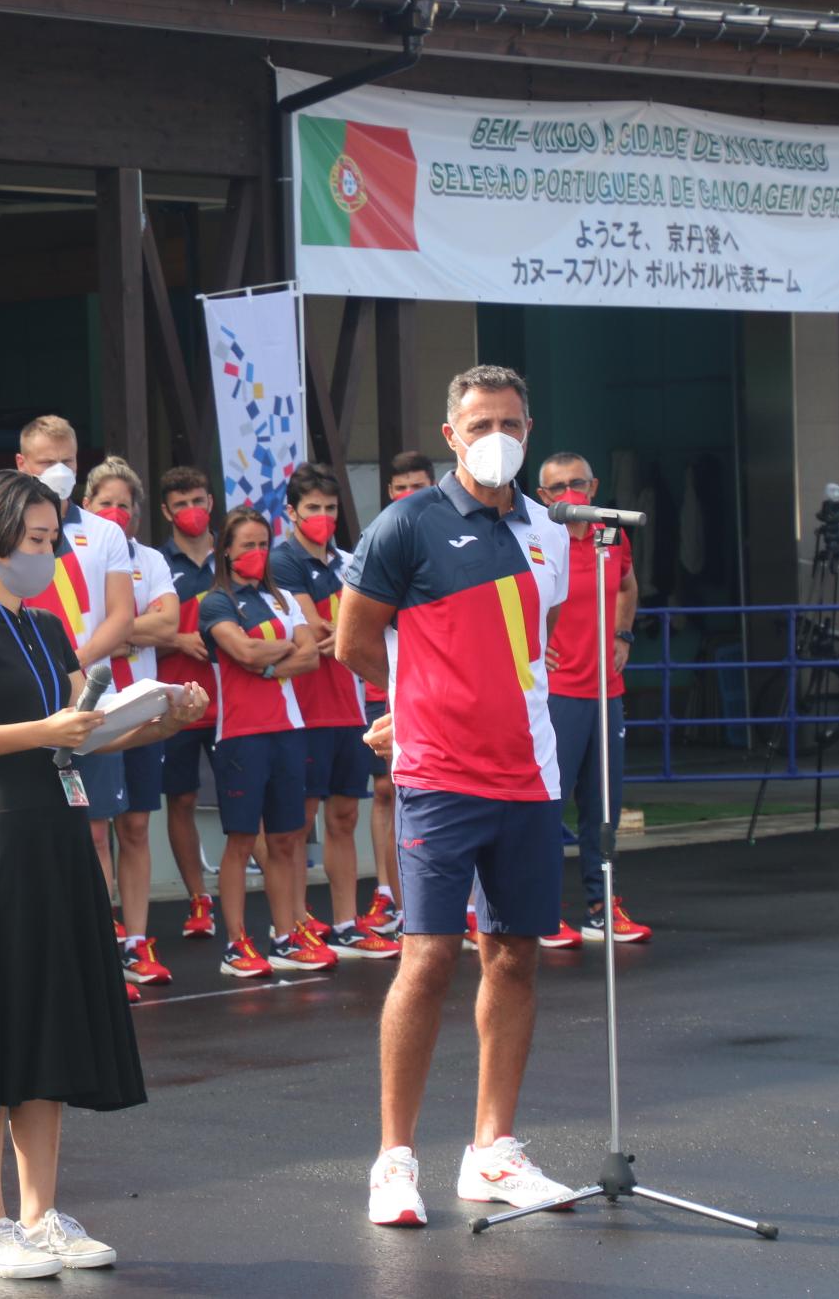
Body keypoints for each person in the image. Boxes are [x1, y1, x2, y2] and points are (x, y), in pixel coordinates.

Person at [0, 468, 208, 1279]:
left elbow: (77, 737)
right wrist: (41, 724)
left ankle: (40, 1213)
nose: (50, 554)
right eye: (39, 541)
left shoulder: (46, 628)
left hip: (61, 844)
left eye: (53, 540)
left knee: (42, 1030)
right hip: (2, 847)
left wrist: (156, 717)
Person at [338, 364, 573, 1227]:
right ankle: (394, 1160)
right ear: (452, 435)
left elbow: (526, 650)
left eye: (509, 420)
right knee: (428, 956)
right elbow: (354, 639)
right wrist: (409, 707)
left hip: (530, 774)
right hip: (439, 776)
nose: (496, 435)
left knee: (514, 954)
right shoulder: (407, 524)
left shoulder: (550, 531)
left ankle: (493, 1151)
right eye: (479, 424)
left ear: (529, 423)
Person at [269, 465, 399, 961]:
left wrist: (338, 633)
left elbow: (345, 634)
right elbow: (313, 628)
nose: (323, 517)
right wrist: (339, 632)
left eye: (329, 508)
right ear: (291, 513)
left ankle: (345, 923)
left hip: (348, 706)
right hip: (303, 709)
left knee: (344, 816)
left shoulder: (348, 560)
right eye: (313, 509)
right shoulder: (282, 562)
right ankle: (299, 920)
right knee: (299, 824)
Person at [200, 507, 331, 979]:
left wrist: (267, 663)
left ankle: (284, 936)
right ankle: (236, 943)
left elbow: (310, 659)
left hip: (288, 731)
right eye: (247, 545)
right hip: (241, 736)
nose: (257, 553)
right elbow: (242, 651)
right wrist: (277, 652)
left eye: (262, 545)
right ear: (227, 552)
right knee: (240, 841)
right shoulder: (215, 602)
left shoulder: (282, 600)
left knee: (286, 839)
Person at [14, 416, 135, 919]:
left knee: (95, 831)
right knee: (25, 831)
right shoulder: (4, 528)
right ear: (22, 465)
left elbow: (122, 616)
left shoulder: (104, 532)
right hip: (22, 704)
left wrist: (71, 669)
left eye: (67, 462)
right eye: (46, 463)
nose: (58, 472)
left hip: (91, 703)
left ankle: (99, 944)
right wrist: (42, 673)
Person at [536, 451, 650, 948]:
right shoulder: (537, 540)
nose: (569, 495)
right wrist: (535, 648)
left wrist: (623, 634)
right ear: (543, 497)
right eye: (557, 488)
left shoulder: (610, 532)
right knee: (546, 804)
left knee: (603, 805)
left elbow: (626, 583)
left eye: (576, 484)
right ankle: (540, 909)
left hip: (607, 691)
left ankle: (602, 905)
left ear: (594, 485)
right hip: (556, 693)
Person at [80, 457, 179, 989]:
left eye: (124, 505)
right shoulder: (76, 554)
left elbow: (169, 623)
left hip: (142, 703)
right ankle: (102, 941)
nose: (115, 513)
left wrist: (115, 629)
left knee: (137, 826)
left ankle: (137, 939)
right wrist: (124, 630)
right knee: (95, 830)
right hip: (96, 707)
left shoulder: (152, 560)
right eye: (105, 504)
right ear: (87, 507)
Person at [358, 451, 435, 939]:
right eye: (400, 487)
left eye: (419, 486)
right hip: (386, 687)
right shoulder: (381, 540)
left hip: (442, 694)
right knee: (390, 792)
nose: (409, 495)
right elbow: (355, 633)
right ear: (390, 493)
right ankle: (394, 894)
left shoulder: (452, 540)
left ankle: (457, 903)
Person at [154, 467, 222, 939]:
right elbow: (137, 634)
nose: (191, 511)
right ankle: (199, 898)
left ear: (211, 502)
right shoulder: (157, 565)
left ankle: (284, 902)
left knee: (250, 808)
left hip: (235, 703)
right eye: (180, 504)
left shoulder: (237, 557)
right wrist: (177, 640)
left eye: (197, 499)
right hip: (177, 702)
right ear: (165, 511)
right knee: (181, 798)